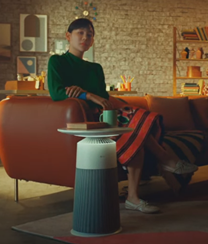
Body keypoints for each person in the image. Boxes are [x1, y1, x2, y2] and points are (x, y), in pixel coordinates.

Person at [47, 18, 198, 214]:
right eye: (80, 33)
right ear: (68, 36)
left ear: (93, 40)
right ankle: (166, 160)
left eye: (90, 35)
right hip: (87, 119)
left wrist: (92, 95)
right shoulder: (57, 62)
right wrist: (88, 94)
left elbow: (103, 97)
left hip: (107, 115)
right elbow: (57, 92)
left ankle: (133, 198)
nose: (85, 37)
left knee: (136, 131)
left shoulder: (95, 68)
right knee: (135, 125)